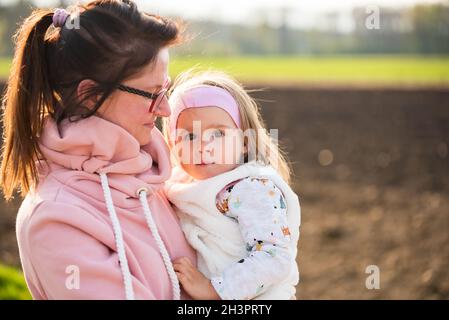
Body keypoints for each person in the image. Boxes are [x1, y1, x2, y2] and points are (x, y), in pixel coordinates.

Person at [0, 0, 195, 300]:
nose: (166, 109)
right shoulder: (55, 220)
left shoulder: (164, 173)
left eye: (166, 90)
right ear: (90, 95)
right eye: (153, 94)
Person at [163, 70, 301, 300]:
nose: (203, 146)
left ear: (245, 142)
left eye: (218, 133)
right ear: (171, 144)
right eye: (189, 136)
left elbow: (274, 257)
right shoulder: (180, 187)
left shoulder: (252, 189)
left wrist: (214, 290)